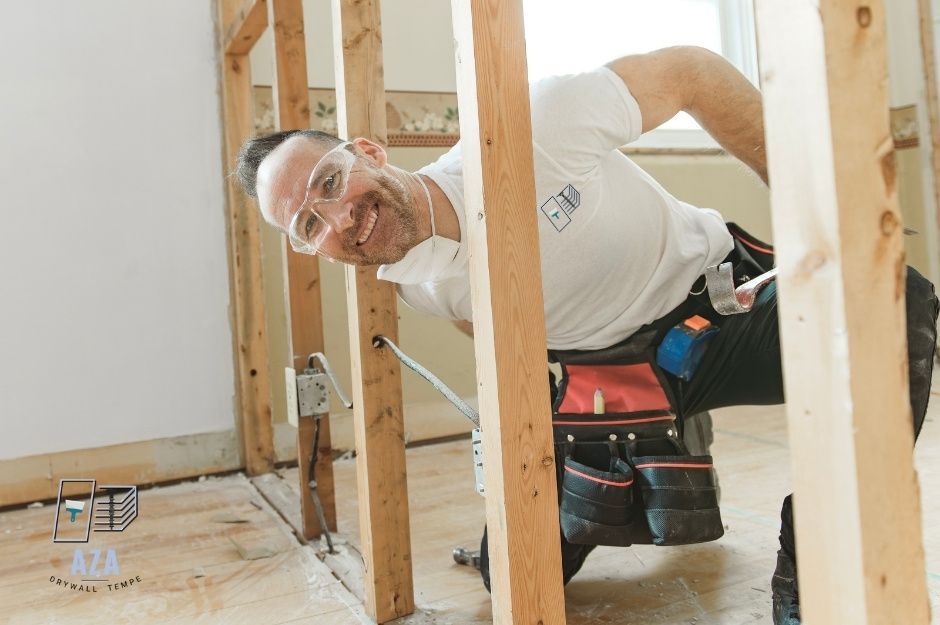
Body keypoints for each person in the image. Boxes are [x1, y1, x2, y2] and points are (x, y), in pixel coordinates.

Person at [233, 46, 939, 625]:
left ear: (368, 151)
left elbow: (692, 72)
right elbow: (499, 338)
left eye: (330, 180)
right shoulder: (411, 278)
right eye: (307, 226)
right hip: (609, 384)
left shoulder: (531, 125)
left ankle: (816, 542)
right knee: (501, 570)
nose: (339, 217)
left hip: (720, 306)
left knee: (896, 303)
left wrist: (804, 205)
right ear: (312, 250)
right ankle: (673, 432)